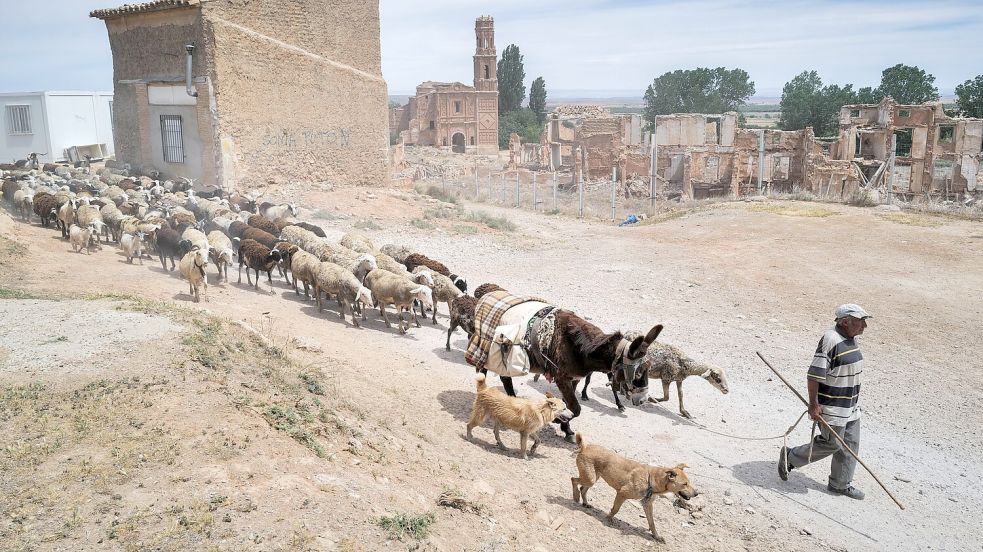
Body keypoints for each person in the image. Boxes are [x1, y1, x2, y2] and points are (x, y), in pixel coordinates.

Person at [778, 304, 871, 500]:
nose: (864, 326)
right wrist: (814, 404)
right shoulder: (830, 340)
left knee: (850, 445)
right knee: (832, 444)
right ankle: (791, 457)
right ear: (845, 322)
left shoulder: (850, 339)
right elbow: (814, 375)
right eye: (860, 321)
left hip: (851, 406)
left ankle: (840, 484)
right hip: (833, 407)